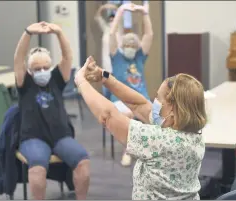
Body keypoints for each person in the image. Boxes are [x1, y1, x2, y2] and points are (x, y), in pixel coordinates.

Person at [75, 56, 207, 200]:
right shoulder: (193, 135)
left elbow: (107, 115)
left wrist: (81, 82)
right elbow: (139, 105)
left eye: (159, 98)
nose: (154, 102)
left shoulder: (159, 140)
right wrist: (104, 76)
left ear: (172, 109)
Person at [14, 21, 90, 200]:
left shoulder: (56, 79)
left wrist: (59, 33)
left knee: (83, 161)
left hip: (60, 137)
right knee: (38, 167)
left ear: (50, 67)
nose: (42, 71)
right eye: (37, 69)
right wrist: (27, 33)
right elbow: (19, 58)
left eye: (45, 67)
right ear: (30, 71)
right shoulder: (25, 83)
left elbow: (67, 57)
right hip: (33, 138)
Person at [109, 3, 153, 166]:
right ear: (122, 46)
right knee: (128, 117)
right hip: (121, 99)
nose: (130, 48)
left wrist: (144, 14)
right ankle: (128, 150)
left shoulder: (139, 57)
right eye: (127, 45)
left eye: (133, 45)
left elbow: (149, 34)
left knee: (156, 118)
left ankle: (151, 151)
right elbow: (112, 33)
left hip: (141, 98)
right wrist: (120, 11)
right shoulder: (117, 57)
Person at [95, 3, 123, 99]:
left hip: (118, 63)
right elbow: (98, 17)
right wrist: (102, 8)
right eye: (110, 20)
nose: (112, 22)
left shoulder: (120, 31)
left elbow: (120, 16)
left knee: (118, 86)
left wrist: (115, 8)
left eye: (113, 20)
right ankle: (106, 102)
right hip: (106, 64)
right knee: (106, 84)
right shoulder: (106, 29)